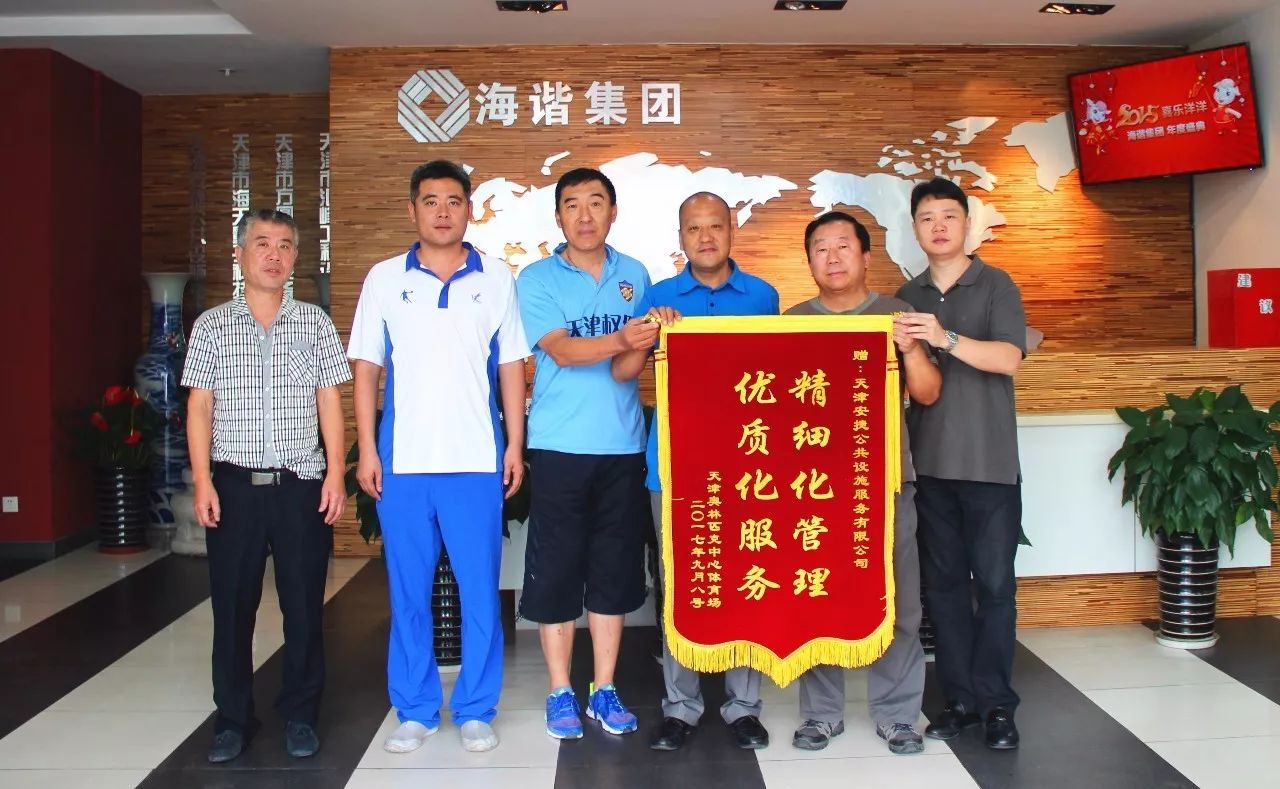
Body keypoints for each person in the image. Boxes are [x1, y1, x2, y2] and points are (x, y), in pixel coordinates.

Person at [349, 160, 530, 754]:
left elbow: (511, 366)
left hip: (476, 461)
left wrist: (515, 444)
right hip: (403, 463)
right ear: (413, 210)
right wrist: (367, 448)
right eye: (431, 201)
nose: (443, 212)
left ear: (469, 210)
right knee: (408, 593)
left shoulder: (496, 277)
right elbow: (367, 368)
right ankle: (416, 708)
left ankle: (476, 707)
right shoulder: (383, 279)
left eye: (454, 201)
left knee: (479, 593)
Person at [612, 192, 779, 752]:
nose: (705, 238)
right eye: (693, 228)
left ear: (732, 231)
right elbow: (623, 371)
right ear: (680, 237)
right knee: (679, 587)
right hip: (675, 466)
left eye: (715, 227)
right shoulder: (658, 297)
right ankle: (680, 707)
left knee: (748, 581)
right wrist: (649, 331)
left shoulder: (762, 297)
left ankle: (744, 707)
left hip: (747, 465)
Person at [183, 208, 351, 763]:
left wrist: (334, 473)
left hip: (300, 486)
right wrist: (203, 480)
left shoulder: (315, 324)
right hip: (234, 487)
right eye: (261, 244)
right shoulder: (212, 326)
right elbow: (199, 407)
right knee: (233, 610)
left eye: (283, 245)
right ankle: (232, 720)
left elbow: (330, 399)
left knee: (304, 609)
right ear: (239, 254)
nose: (273, 255)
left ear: (295, 258)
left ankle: (300, 715)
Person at [784, 211, 939, 755]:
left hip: (887, 483)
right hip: (813, 488)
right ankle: (821, 714)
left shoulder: (897, 314)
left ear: (866, 257)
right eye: (820, 249)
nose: (832, 258)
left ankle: (897, 715)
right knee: (816, 595)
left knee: (899, 600)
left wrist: (910, 348)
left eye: (843, 246)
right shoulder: (792, 321)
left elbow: (927, 393)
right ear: (809, 262)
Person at [516, 167, 658, 739]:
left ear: (613, 212)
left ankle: (604, 688)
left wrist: (649, 336)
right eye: (572, 205)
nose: (584, 215)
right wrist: (625, 337)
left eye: (595, 203)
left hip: (622, 446)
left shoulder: (635, 274)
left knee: (612, 569)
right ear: (558, 217)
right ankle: (559, 690)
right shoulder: (537, 278)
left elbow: (629, 366)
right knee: (555, 569)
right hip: (558, 446)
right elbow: (562, 351)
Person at [894, 177, 1027, 751]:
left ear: (967, 223)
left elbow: (1009, 358)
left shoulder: (997, 284)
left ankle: (997, 704)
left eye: (949, 216)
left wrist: (943, 336)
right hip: (929, 467)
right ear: (915, 229)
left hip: (990, 465)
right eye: (927, 218)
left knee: (994, 587)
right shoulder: (907, 295)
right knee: (943, 589)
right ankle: (959, 701)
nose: (939, 227)